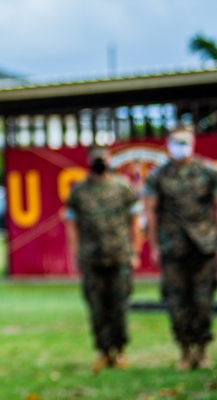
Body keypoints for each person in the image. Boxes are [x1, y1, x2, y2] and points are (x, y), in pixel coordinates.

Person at [143, 124, 217, 370]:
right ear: (167, 144)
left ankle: (202, 352)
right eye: (176, 142)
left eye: (184, 141)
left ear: (193, 143)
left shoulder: (209, 171)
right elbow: (150, 213)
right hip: (172, 247)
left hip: (204, 246)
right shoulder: (157, 176)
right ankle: (184, 352)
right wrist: (154, 246)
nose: (180, 147)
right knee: (176, 302)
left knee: (203, 302)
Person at [64, 144, 141, 375]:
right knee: (97, 307)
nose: (100, 161)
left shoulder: (122, 188)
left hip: (119, 256)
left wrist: (135, 252)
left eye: (103, 157)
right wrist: (75, 255)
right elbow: (72, 226)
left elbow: (134, 223)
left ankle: (119, 349)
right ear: (89, 160)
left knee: (119, 306)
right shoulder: (79, 192)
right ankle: (103, 350)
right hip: (91, 258)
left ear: (109, 159)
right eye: (96, 158)